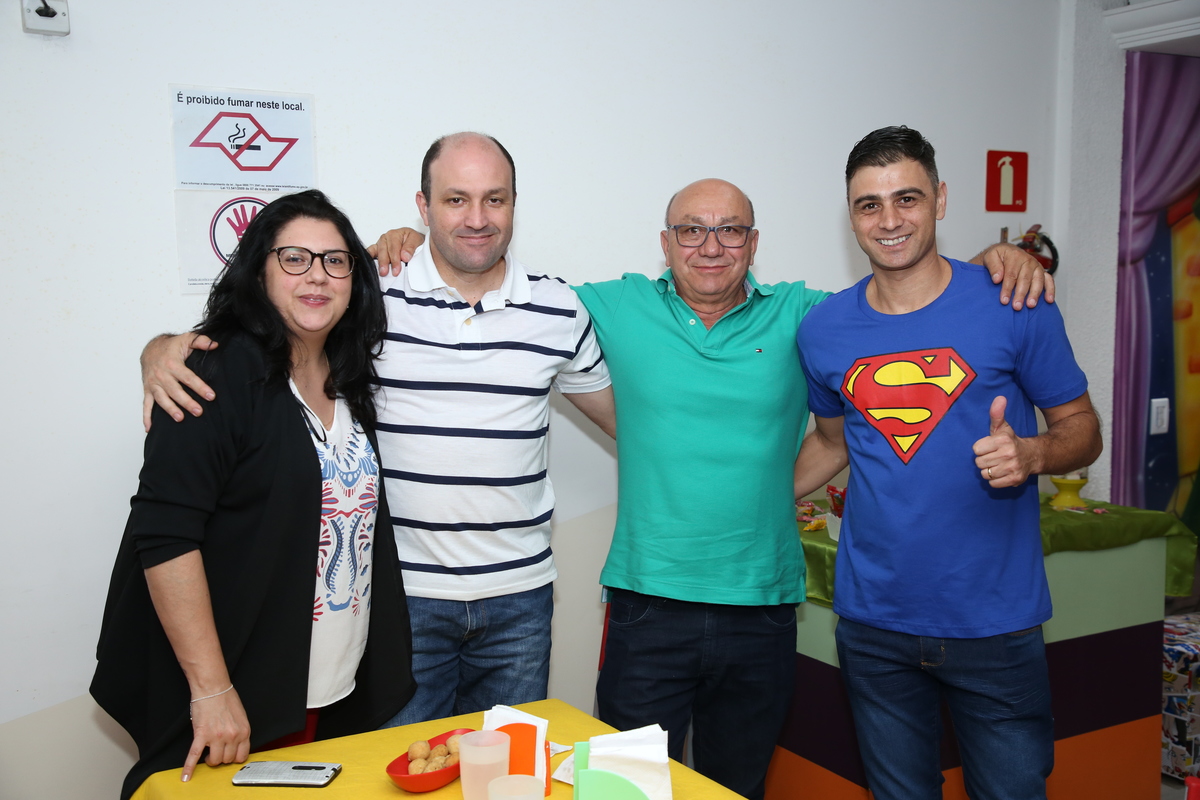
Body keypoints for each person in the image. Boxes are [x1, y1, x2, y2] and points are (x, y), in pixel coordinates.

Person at [369, 181, 1052, 800]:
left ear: (754, 243)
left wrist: (992, 262)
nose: (711, 246)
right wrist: (410, 245)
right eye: (691, 230)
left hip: (762, 608)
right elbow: (497, 281)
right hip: (647, 604)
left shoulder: (806, 316)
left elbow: (901, 303)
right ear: (665, 244)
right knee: (627, 792)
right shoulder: (612, 305)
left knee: (736, 789)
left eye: (730, 230)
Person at [138, 133, 616, 727]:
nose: (476, 218)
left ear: (515, 204)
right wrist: (162, 348)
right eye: (455, 199)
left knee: (507, 770)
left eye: (494, 199)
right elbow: (269, 329)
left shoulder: (559, 309)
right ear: (423, 206)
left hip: (520, 596)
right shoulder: (371, 294)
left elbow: (628, 423)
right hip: (398, 597)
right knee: (397, 767)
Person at [793, 126, 1102, 800]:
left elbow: (1083, 431)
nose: (889, 220)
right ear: (851, 216)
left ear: (940, 199)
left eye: (907, 198)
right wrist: (750, 503)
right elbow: (833, 443)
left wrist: (1033, 453)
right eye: (869, 204)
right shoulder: (823, 331)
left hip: (994, 623)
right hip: (873, 624)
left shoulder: (1014, 302)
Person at [91, 190, 414, 799]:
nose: (316, 275)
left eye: (335, 261)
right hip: (239, 690)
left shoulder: (348, 378)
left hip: (330, 685)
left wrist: (412, 238)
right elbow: (165, 537)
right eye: (294, 258)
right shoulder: (214, 372)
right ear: (258, 270)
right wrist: (211, 691)